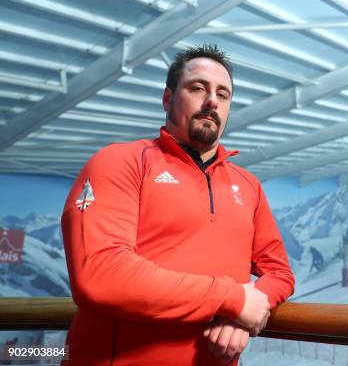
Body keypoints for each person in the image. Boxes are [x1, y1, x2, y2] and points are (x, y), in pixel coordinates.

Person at [61, 45, 295, 365]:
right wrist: (233, 299)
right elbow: (101, 275)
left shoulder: (248, 185)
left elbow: (279, 272)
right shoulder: (121, 162)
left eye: (223, 95)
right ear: (168, 98)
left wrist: (243, 312)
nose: (212, 100)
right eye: (197, 88)